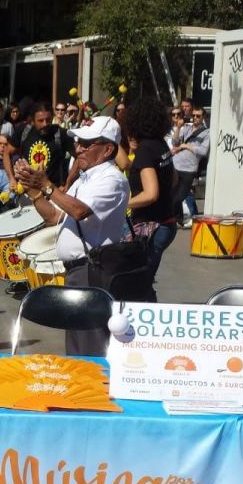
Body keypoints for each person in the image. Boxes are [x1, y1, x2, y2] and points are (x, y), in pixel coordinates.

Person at [18, 116, 129, 356]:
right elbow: (53, 217)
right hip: (79, 271)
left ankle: (96, 380)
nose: (78, 149)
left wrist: (47, 186)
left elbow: (79, 211)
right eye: (78, 142)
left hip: (93, 270)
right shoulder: (85, 179)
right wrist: (33, 191)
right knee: (78, 346)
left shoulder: (112, 180)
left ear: (108, 149)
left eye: (87, 144)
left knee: (90, 346)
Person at [125, 96, 176, 283]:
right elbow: (174, 179)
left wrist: (123, 204)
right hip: (167, 222)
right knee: (144, 281)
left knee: (138, 284)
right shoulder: (161, 144)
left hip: (152, 227)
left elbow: (151, 194)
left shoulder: (145, 150)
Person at [169, 107, 210, 227]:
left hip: (189, 169)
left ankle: (174, 218)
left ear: (203, 117)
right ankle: (177, 220)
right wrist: (178, 128)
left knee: (181, 195)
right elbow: (175, 142)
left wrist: (186, 146)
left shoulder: (206, 133)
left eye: (198, 116)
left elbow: (203, 151)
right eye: (193, 115)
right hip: (176, 165)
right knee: (172, 194)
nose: (195, 118)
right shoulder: (186, 128)